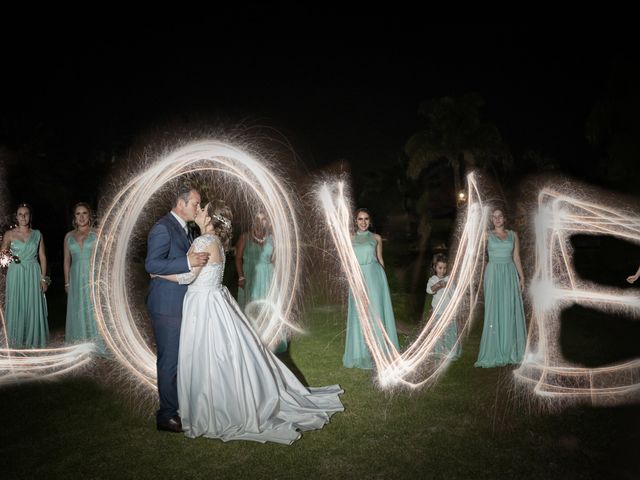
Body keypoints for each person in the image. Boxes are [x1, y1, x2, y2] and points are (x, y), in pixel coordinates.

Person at [155, 200, 343, 444]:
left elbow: (187, 275)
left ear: (210, 219)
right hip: (212, 301)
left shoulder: (202, 242)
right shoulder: (219, 244)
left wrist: (158, 272)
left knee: (207, 352)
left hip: (202, 305)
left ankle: (211, 406)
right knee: (218, 353)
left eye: (202, 210)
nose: (198, 212)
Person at [145, 186, 210, 433]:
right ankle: (166, 416)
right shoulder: (163, 227)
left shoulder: (184, 229)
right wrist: (187, 261)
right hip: (166, 304)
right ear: (181, 204)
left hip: (180, 302)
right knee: (169, 361)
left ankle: (178, 406)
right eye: (195, 203)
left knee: (180, 360)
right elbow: (151, 264)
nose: (198, 208)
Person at [343, 208, 400, 369]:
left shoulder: (376, 238)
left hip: (375, 278)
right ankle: (361, 351)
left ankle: (379, 351)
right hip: (359, 278)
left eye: (366, 219)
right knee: (360, 314)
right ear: (355, 221)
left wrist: (384, 284)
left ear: (370, 221)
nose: (363, 222)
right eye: (360, 219)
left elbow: (380, 259)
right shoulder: (350, 238)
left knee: (376, 314)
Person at [474, 208, 527, 368]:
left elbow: (516, 257)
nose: (497, 219)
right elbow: (476, 253)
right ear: (491, 219)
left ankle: (510, 350)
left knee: (509, 310)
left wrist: (522, 276)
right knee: (494, 310)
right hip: (493, 275)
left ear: (504, 218)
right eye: (494, 216)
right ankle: (494, 350)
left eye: (500, 216)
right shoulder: (486, 235)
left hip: (509, 274)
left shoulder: (513, 235)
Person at [235, 212, 287, 352]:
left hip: (268, 277)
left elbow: (275, 261)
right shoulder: (245, 237)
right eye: (257, 218)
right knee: (251, 309)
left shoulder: (272, 239)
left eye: (264, 219)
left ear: (267, 222)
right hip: (251, 276)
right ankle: (251, 343)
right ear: (253, 220)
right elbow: (238, 258)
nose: (260, 222)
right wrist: (241, 276)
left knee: (268, 309)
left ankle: (269, 342)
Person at [0, 203, 49, 348]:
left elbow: (43, 257)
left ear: (30, 216)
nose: (23, 217)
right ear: (16, 216)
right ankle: (16, 340)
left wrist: (43, 278)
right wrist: (11, 258)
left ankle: (32, 339)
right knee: (17, 304)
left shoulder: (37, 234)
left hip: (34, 272)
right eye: (20, 214)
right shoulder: (10, 234)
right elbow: (2, 256)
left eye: (26, 214)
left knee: (32, 305)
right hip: (16, 272)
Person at [63, 203, 102, 349]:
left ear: (89, 215)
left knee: (92, 307)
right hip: (75, 276)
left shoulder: (97, 233)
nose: (81, 217)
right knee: (77, 307)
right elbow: (66, 261)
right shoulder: (69, 236)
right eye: (78, 214)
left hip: (92, 275)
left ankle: (95, 341)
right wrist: (67, 282)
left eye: (84, 213)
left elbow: (104, 258)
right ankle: (79, 341)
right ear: (74, 217)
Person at [425, 254, 461, 360]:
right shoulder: (433, 279)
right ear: (435, 267)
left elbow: (454, 292)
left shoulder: (449, 278)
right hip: (438, 311)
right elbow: (429, 290)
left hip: (448, 311)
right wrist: (438, 285)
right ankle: (439, 352)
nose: (442, 270)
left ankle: (451, 352)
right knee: (438, 332)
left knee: (450, 331)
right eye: (440, 268)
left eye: (444, 268)